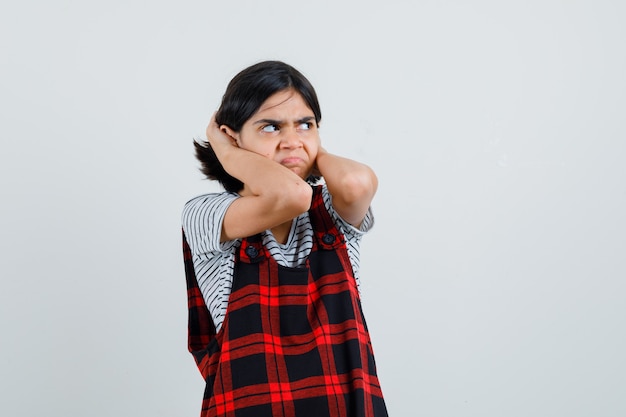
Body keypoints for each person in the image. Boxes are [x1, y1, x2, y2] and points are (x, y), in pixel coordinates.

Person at [181, 60, 388, 417]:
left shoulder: (330, 211)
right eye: (271, 127)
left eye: (305, 125)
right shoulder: (208, 213)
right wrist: (226, 153)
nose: (291, 139)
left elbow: (357, 184)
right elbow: (289, 196)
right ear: (232, 135)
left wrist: (306, 151)